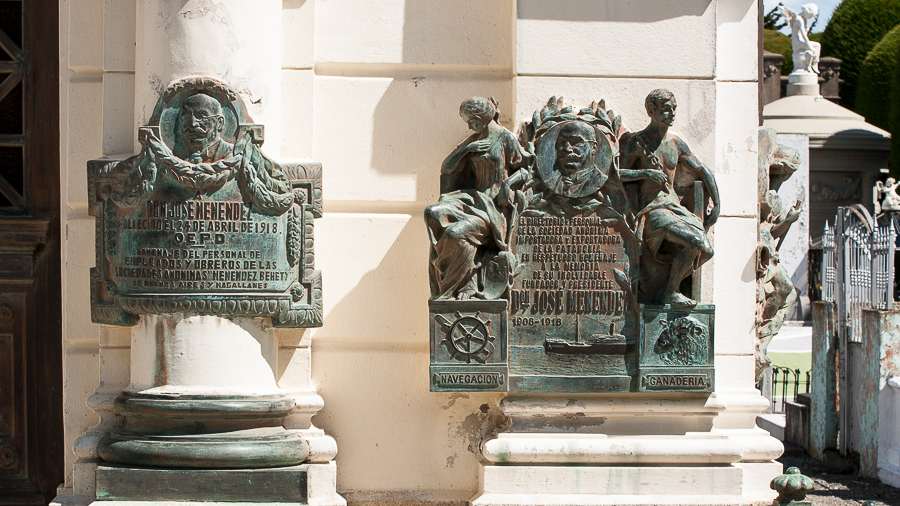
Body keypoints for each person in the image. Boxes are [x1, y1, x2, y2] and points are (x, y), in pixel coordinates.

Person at [620, 89, 720, 307]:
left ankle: (666, 287)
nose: (672, 113)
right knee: (694, 242)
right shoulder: (638, 143)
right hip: (653, 211)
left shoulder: (676, 144)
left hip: (675, 208)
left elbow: (703, 170)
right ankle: (670, 293)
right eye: (666, 109)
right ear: (651, 110)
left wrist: (717, 205)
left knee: (707, 250)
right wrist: (645, 173)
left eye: (674, 108)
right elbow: (616, 175)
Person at [425, 97, 530, 300]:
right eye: (468, 121)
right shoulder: (474, 140)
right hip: (472, 199)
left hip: (492, 207)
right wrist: (466, 150)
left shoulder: (505, 138)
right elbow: (447, 167)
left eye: (472, 120)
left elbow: (526, 169)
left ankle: (454, 288)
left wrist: (507, 184)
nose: (470, 125)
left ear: (484, 116)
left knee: (455, 233)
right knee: (432, 213)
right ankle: (442, 271)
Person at [544, 121, 606, 198]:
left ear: (593, 148)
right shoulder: (551, 182)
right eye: (562, 142)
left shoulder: (600, 181)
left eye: (575, 142)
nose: (567, 149)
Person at [176, 93, 234, 164]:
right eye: (186, 117)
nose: (192, 124)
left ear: (219, 123)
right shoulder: (176, 155)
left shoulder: (232, 154)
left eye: (200, 117)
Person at [779, 3, 821, 74]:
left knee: (813, 50)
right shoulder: (799, 19)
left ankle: (813, 64)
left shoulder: (803, 19)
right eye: (810, 15)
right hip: (798, 42)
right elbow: (804, 36)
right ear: (807, 12)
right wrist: (811, 47)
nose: (810, 17)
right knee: (817, 45)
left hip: (798, 41)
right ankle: (815, 64)